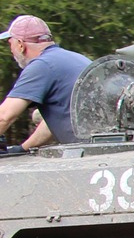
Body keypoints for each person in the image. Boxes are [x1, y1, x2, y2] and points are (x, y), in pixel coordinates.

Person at [0, 15, 91, 149]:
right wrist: (23, 148)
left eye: (10, 44)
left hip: (85, 153)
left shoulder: (42, 65)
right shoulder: (76, 58)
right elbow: (58, 119)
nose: (11, 50)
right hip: (98, 147)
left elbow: (4, 116)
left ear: (20, 44)